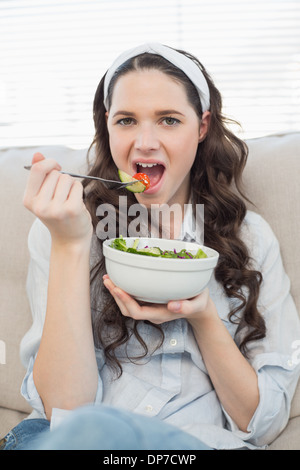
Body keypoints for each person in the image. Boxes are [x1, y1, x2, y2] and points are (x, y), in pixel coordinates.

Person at [1, 43, 300, 451]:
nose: (144, 142)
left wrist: (202, 317)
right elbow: (65, 412)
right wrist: (70, 245)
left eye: (168, 120)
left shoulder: (250, 238)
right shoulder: (64, 226)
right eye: (126, 120)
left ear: (202, 126)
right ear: (107, 126)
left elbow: (261, 423)